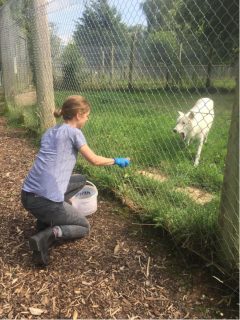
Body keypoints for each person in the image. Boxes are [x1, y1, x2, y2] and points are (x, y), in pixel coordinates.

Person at [21, 95, 130, 266]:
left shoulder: (50, 131)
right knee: (83, 226)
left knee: (81, 180)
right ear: (79, 114)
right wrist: (116, 160)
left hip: (27, 194)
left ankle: (45, 219)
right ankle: (46, 236)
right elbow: (94, 160)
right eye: (87, 115)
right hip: (45, 201)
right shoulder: (74, 132)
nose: (87, 119)